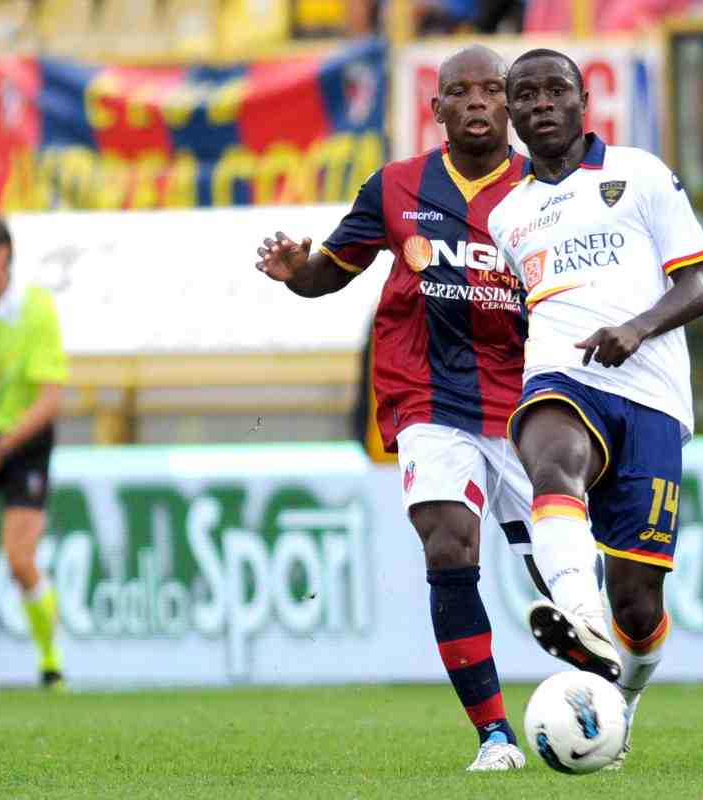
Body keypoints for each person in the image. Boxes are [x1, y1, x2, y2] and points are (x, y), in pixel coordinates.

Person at [255, 45, 541, 772]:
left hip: (528, 404)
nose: (476, 102)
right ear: (436, 107)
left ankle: (608, 698)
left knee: (562, 579)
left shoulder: (544, 190)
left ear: (510, 104)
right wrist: (297, 273)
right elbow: (330, 273)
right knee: (447, 544)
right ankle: (495, 736)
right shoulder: (394, 187)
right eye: (460, 91)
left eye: (491, 89)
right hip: (429, 398)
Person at [488, 48, 703, 765]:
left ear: (584, 101)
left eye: (556, 89)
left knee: (639, 608)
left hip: (650, 396)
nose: (541, 103)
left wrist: (636, 329)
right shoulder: (506, 216)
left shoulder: (640, 174)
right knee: (551, 455)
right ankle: (580, 616)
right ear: (511, 111)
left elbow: (701, 285)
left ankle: (623, 696)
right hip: (560, 372)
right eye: (526, 94)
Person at [0, 216, 68, 689]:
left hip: (24, 440)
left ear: (2, 253)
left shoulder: (33, 309)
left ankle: (51, 663)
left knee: (18, 559)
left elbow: (50, 399)